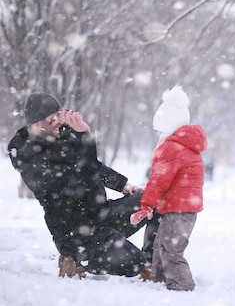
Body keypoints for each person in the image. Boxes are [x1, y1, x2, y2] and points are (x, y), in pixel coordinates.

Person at [7, 92, 160, 278]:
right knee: (133, 264)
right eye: (53, 118)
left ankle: (153, 265)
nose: (59, 121)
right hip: (75, 236)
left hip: (101, 214)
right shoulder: (28, 157)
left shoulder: (63, 134)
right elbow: (78, 182)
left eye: (59, 114)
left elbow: (93, 166)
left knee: (155, 200)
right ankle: (74, 260)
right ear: (38, 124)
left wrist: (123, 184)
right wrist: (85, 138)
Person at [130, 85, 207, 291]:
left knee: (171, 249)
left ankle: (182, 285)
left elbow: (159, 180)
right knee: (161, 246)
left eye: (160, 127)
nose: (157, 131)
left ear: (169, 125)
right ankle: (159, 281)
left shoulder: (172, 147)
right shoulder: (184, 145)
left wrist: (146, 204)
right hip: (183, 208)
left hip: (179, 208)